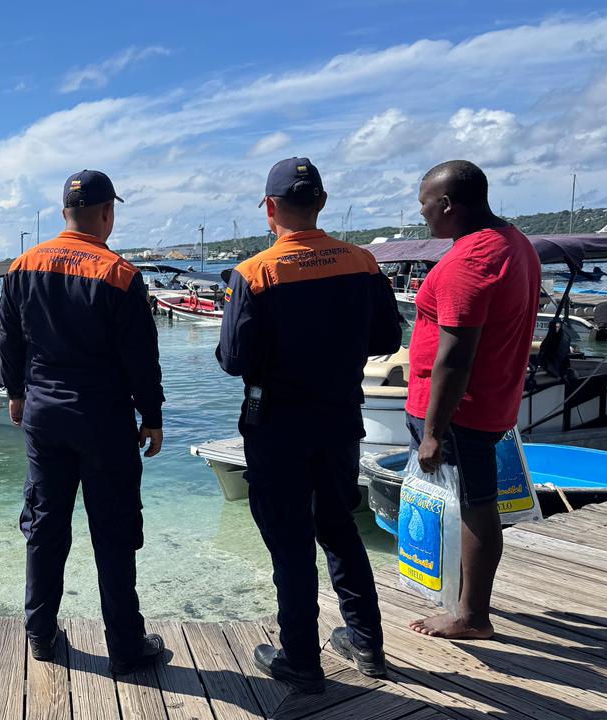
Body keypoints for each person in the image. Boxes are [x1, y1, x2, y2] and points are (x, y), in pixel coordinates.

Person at [217, 158, 402, 693]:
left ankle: (300, 657)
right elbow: (386, 339)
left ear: (270, 209)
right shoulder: (363, 263)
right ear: (321, 202)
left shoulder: (255, 273)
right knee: (340, 528)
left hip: (277, 426)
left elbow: (233, 359)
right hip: (340, 419)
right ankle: (367, 643)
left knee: (291, 541)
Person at [0, 169, 166, 674]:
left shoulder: (22, 265)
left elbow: (10, 338)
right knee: (113, 532)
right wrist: (153, 414)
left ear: (63, 213)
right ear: (107, 214)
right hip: (104, 421)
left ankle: (41, 635)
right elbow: (142, 356)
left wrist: (15, 393)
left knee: (46, 526)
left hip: (44, 416)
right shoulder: (119, 273)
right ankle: (126, 646)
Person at [405, 160, 540, 640]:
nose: (421, 214)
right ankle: (465, 602)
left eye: (424, 204)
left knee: (475, 504)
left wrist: (432, 433)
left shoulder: (470, 261)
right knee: (473, 501)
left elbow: (455, 356)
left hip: (461, 410)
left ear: (446, 204)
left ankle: (470, 615)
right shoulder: (515, 241)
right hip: (489, 401)